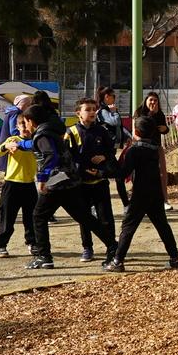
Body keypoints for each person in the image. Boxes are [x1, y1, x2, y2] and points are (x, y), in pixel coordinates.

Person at [23, 102, 115, 270]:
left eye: (25, 122)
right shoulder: (50, 131)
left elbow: (50, 155)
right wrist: (20, 145)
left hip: (56, 181)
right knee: (84, 216)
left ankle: (44, 256)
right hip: (71, 179)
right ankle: (113, 246)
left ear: (31, 120)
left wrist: (43, 178)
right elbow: (40, 148)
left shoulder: (42, 135)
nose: (24, 125)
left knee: (38, 216)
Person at [105, 109, 178, 272]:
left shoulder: (134, 150)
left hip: (140, 193)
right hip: (155, 193)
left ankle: (117, 261)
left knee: (128, 227)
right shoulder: (154, 148)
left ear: (137, 131)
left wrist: (106, 168)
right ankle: (175, 258)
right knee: (163, 226)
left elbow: (123, 173)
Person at [66, 98, 119, 263]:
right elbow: (68, 157)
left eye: (93, 109)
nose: (92, 112)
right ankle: (87, 248)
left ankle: (112, 248)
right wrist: (81, 168)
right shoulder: (71, 132)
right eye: (87, 109)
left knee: (106, 218)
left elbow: (111, 152)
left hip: (100, 182)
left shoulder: (102, 131)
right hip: (81, 183)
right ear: (78, 113)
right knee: (85, 218)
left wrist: (104, 157)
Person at [0, 116, 38, 258]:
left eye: (26, 123)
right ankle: (1, 245)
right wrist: (6, 146)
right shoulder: (13, 140)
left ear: (32, 125)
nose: (24, 126)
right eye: (21, 124)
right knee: (7, 217)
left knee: (31, 218)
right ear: (17, 127)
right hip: (12, 184)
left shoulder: (36, 142)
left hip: (29, 184)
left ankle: (32, 243)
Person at [96, 87, 130, 208]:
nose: (114, 98)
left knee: (106, 177)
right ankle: (126, 204)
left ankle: (126, 204)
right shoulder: (104, 111)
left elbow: (118, 128)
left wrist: (127, 136)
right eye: (113, 96)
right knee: (115, 176)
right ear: (106, 97)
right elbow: (115, 122)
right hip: (105, 151)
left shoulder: (109, 110)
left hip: (110, 151)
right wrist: (114, 112)